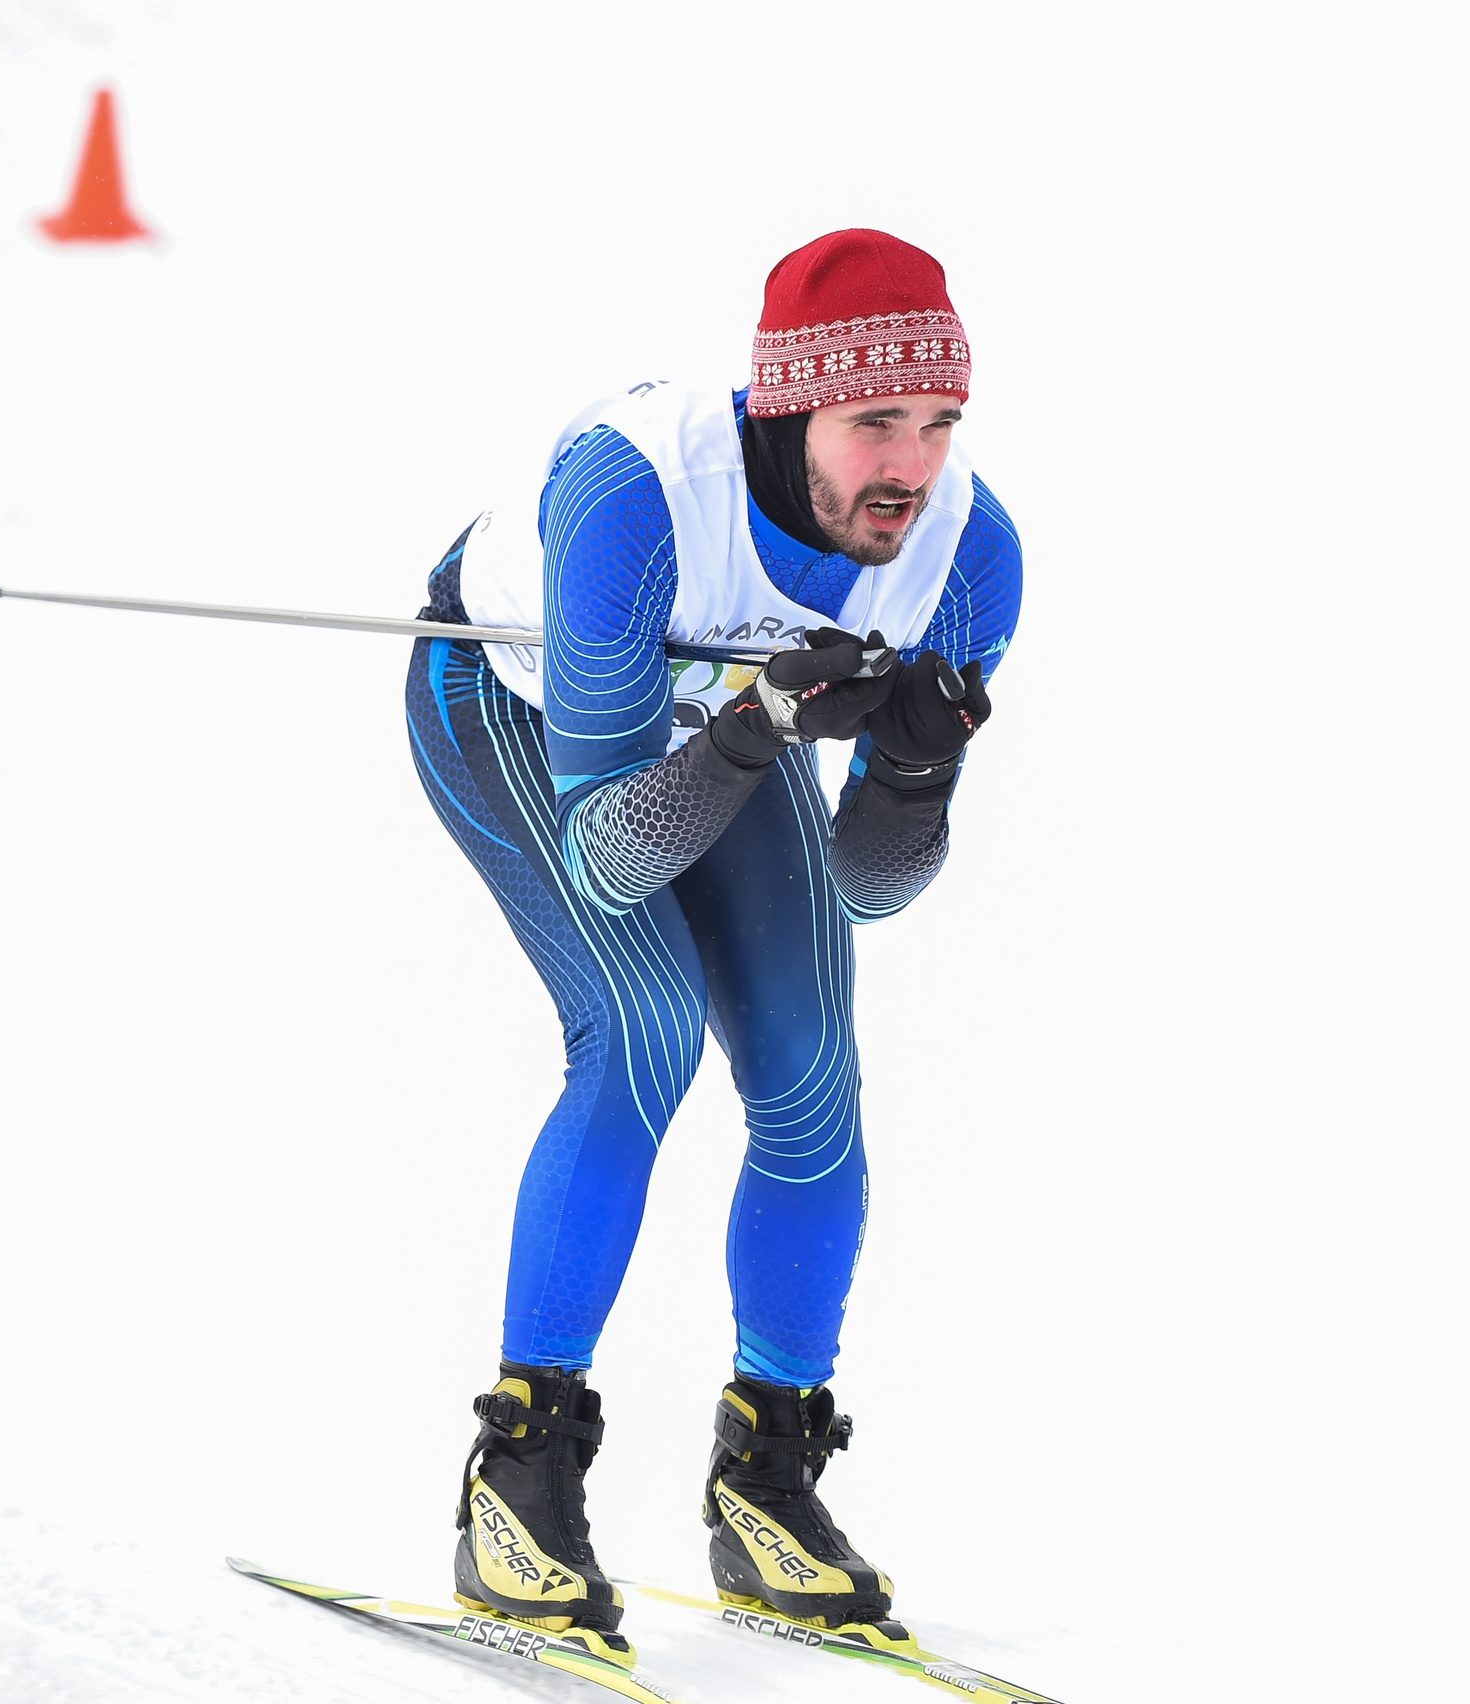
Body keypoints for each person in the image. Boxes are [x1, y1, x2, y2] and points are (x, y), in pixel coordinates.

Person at [401, 229, 1021, 1665]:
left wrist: (916, 772)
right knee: (646, 1032)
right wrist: (757, 725)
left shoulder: (967, 556)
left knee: (812, 1075)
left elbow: (872, 888)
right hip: (511, 704)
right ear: (785, 408)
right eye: (877, 422)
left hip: (720, 745)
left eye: (938, 423)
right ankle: (520, 1473)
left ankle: (766, 1479)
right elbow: (613, 856)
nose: (910, 467)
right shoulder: (635, 500)